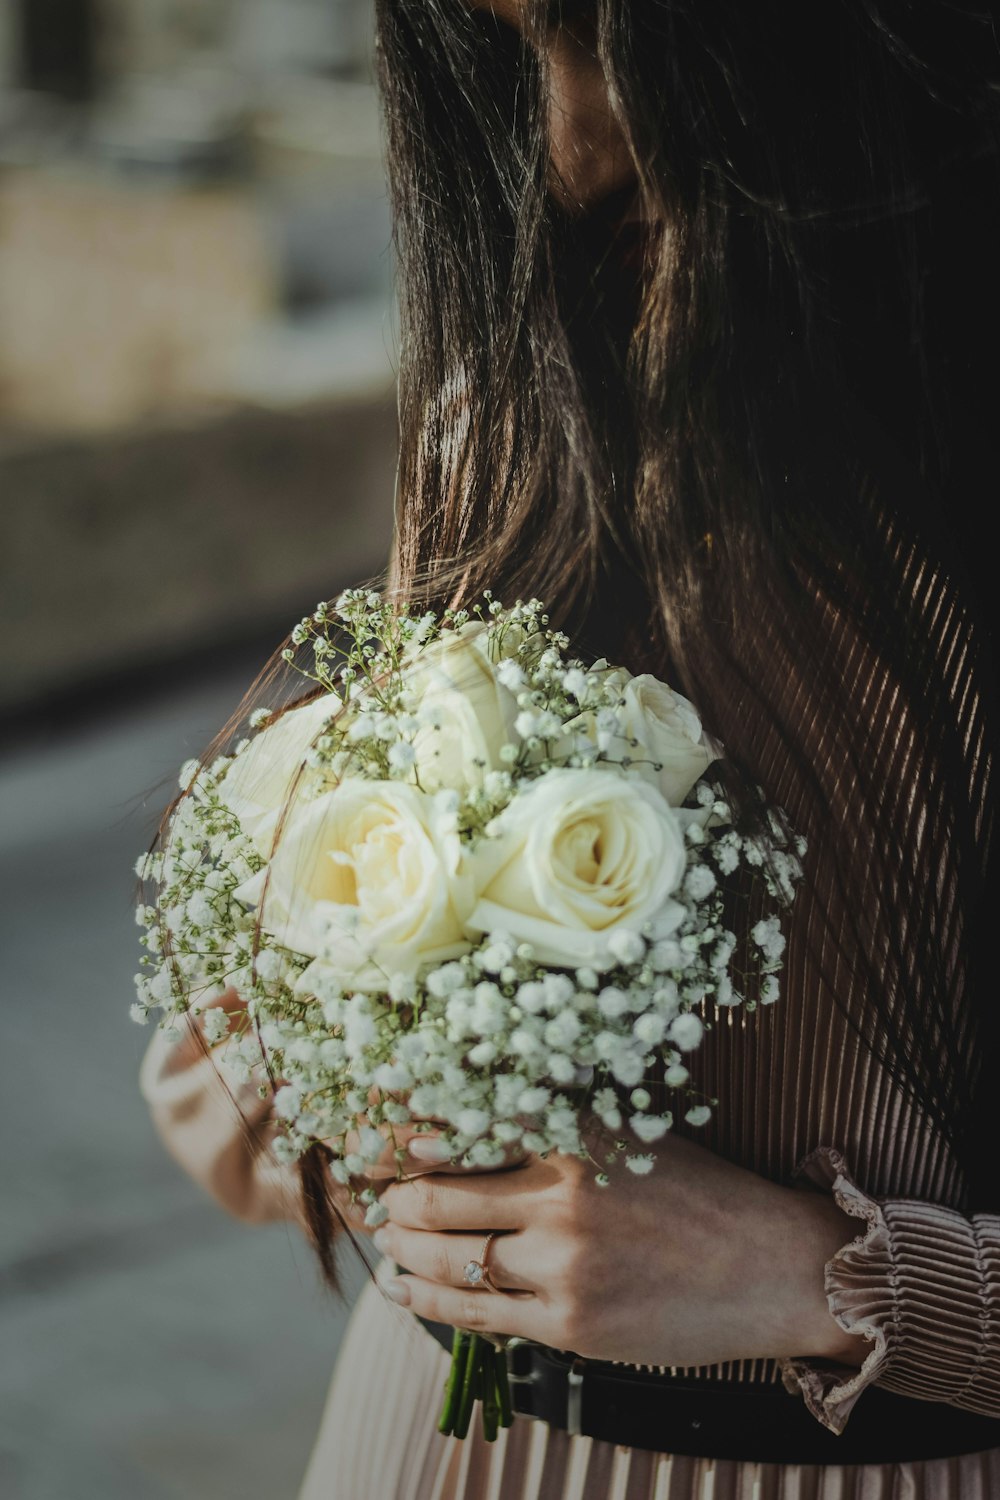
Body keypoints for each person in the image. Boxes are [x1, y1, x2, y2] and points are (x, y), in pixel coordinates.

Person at [141, 1, 1000, 1494]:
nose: (557, 138)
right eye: (508, 45)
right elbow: (208, 1084)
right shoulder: (517, 405)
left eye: (605, 38)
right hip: (420, 1445)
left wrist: (823, 1278)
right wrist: (383, 1072)